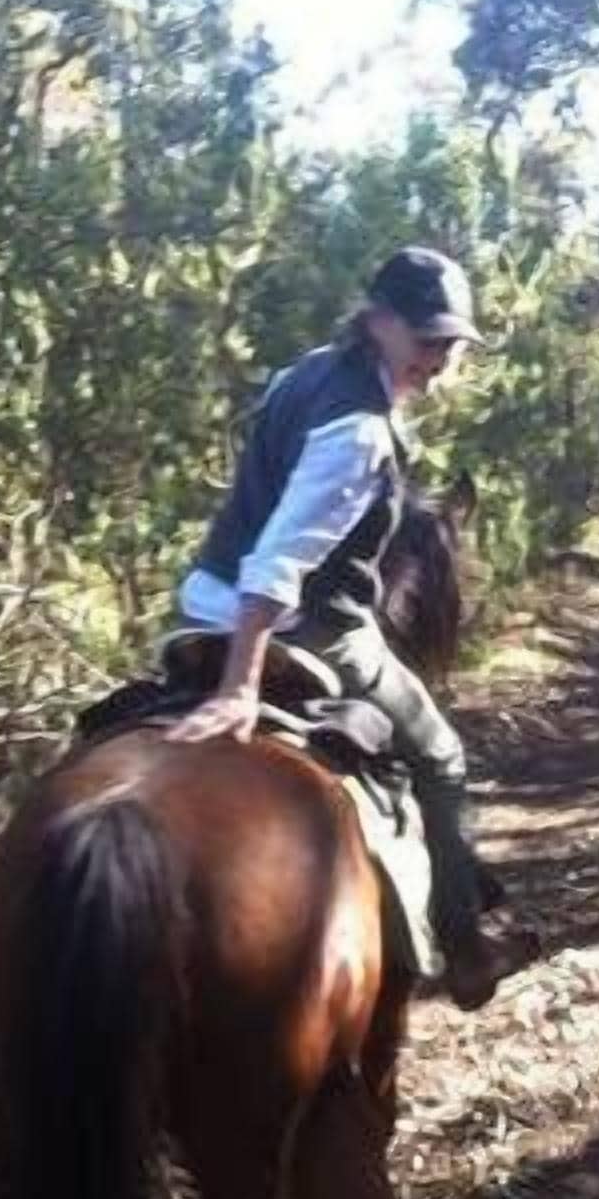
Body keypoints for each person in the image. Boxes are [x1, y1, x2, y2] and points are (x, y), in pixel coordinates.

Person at [171, 246, 537, 1004]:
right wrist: (241, 686)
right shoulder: (361, 431)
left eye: (449, 343)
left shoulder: (301, 374)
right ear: (377, 321)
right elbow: (279, 561)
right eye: (425, 338)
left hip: (201, 605)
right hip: (306, 625)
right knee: (440, 756)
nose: (437, 358)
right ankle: (466, 949)